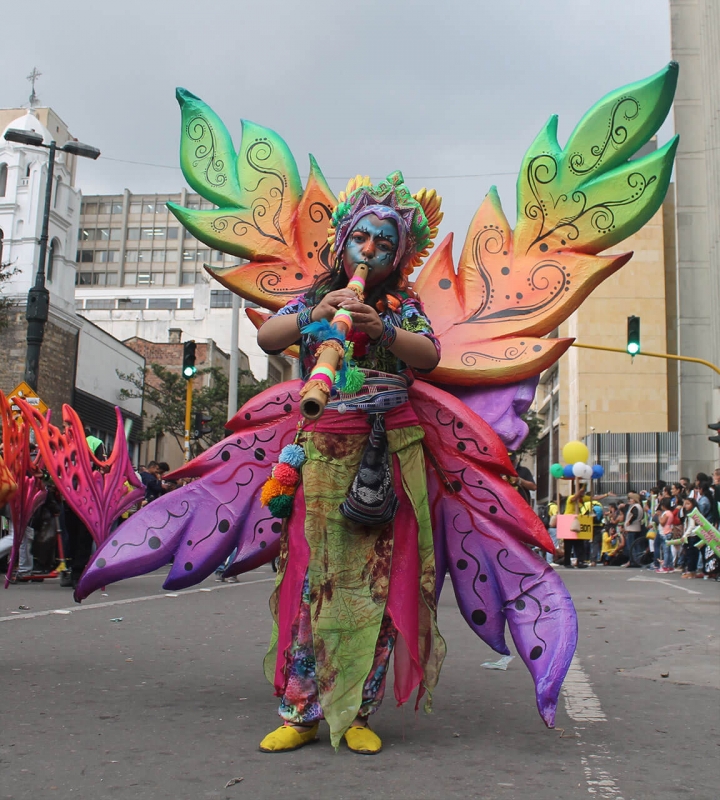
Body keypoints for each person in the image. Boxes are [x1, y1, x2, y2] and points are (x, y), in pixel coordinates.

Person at [255, 176, 443, 755]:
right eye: (361, 237)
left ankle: (358, 711)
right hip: (322, 450)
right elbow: (268, 338)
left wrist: (381, 328)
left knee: (377, 586)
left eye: (384, 244)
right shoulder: (318, 298)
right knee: (315, 581)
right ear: (341, 241)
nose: (370, 250)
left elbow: (429, 356)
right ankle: (302, 711)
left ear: (399, 256)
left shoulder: (403, 307)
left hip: (386, 452)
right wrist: (317, 313)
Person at [621, 491, 644, 568]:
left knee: (631, 546)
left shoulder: (635, 507)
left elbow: (635, 515)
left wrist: (629, 521)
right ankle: (637, 560)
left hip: (632, 529)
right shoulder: (639, 506)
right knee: (636, 546)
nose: (630, 500)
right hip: (636, 528)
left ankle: (633, 561)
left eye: (631, 499)